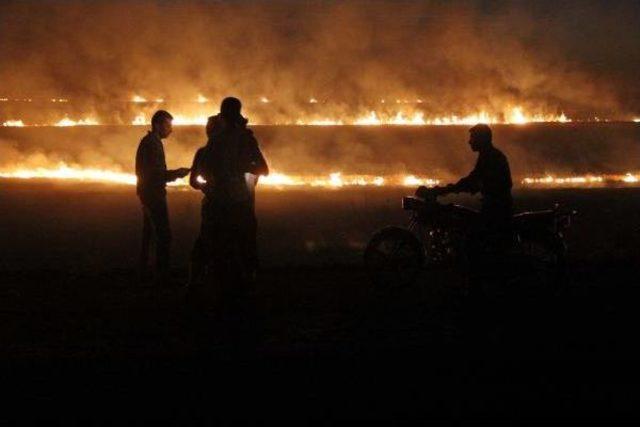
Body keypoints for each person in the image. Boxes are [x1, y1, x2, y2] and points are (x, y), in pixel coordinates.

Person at [187, 97, 269, 291]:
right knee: (244, 245)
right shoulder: (247, 139)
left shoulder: (213, 144)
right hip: (240, 203)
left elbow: (198, 177)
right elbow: (263, 169)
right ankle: (248, 284)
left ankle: (195, 285)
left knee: (209, 245)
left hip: (218, 204)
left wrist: (210, 187)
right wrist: (244, 169)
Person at [417, 123, 513, 252]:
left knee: (470, 237)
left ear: (481, 139)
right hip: (495, 205)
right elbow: (472, 181)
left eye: (473, 138)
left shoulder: (490, 157)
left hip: (496, 208)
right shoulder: (489, 155)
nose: (469, 142)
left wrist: (442, 190)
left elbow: (471, 181)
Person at [135, 110, 190, 285]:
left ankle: (146, 271)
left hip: (148, 192)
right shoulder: (152, 144)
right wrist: (178, 173)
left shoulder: (151, 142)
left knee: (150, 234)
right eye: (168, 125)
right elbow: (156, 174)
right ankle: (161, 274)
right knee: (163, 235)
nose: (171, 130)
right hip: (153, 194)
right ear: (158, 124)